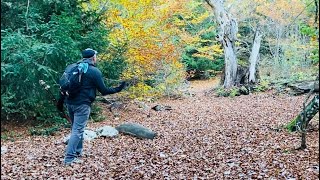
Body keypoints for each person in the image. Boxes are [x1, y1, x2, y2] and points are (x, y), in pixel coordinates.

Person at [57, 48, 126, 166]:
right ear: (93, 57)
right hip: (82, 105)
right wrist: (119, 88)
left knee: (76, 129)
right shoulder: (94, 71)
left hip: (70, 103)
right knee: (77, 130)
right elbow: (103, 90)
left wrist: (60, 102)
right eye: (96, 56)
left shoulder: (72, 67)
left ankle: (77, 152)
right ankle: (69, 159)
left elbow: (63, 86)